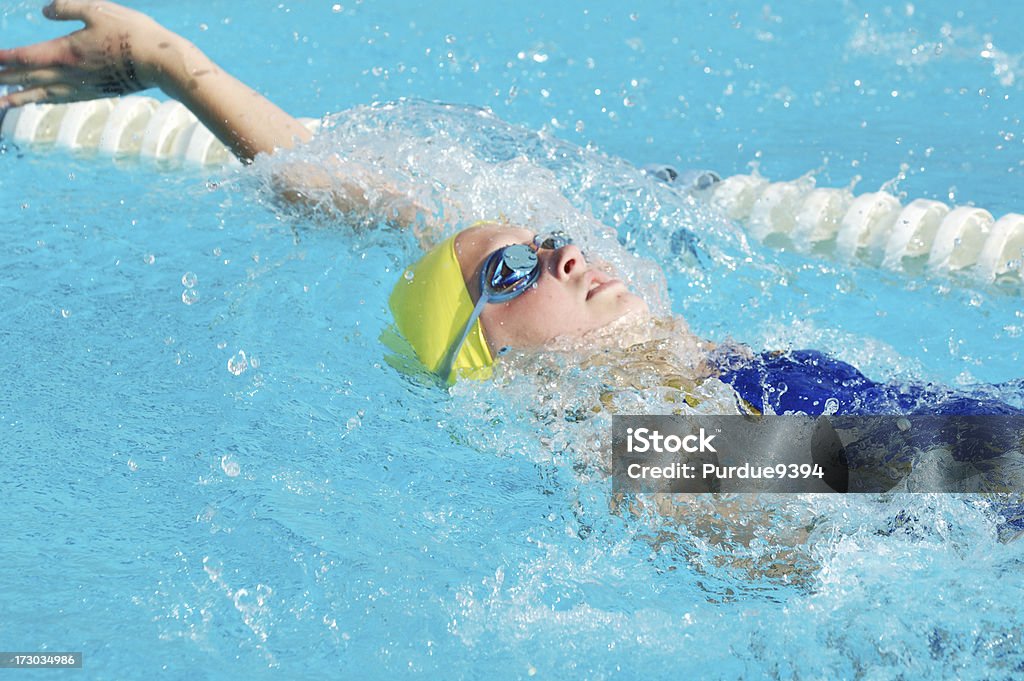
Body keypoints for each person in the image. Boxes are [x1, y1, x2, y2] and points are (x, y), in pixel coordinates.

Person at [2, 0, 1020, 421]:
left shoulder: (702, 380)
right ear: (487, 370)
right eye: (511, 274)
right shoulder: (640, 445)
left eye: (549, 243)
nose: (562, 257)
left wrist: (172, 65)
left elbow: (371, 196)